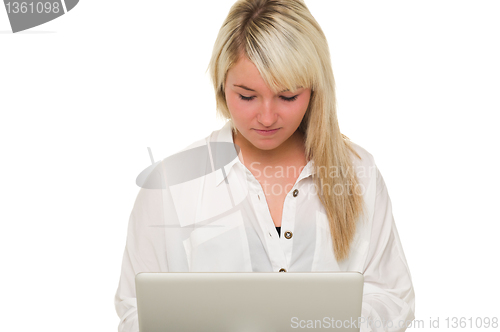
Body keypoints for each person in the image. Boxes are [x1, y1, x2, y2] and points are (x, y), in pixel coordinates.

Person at [114, 0, 415, 331]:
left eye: (287, 97)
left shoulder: (359, 173)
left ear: (314, 89)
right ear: (221, 85)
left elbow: (393, 298)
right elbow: (136, 312)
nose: (267, 117)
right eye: (246, 96)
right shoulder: (171, 184)